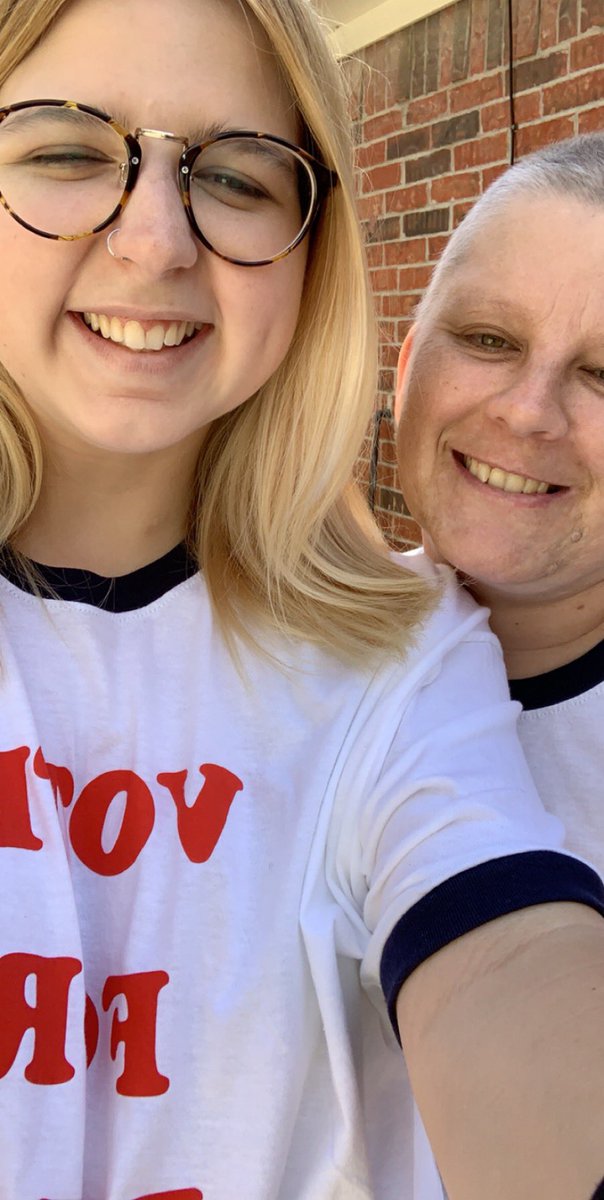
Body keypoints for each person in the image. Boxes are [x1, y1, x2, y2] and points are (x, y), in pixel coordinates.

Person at [1, 2, 604, 1197]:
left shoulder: (401, 657)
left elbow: (506, 963)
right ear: (406, 352)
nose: (155, 239)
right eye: (67, 150)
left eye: (235, 177)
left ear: (311, 259)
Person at [395, 132, 604, 1199]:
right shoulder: (239, 654)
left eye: (602, 375)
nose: (527, 412)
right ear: (407, 364)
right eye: (485, 338)